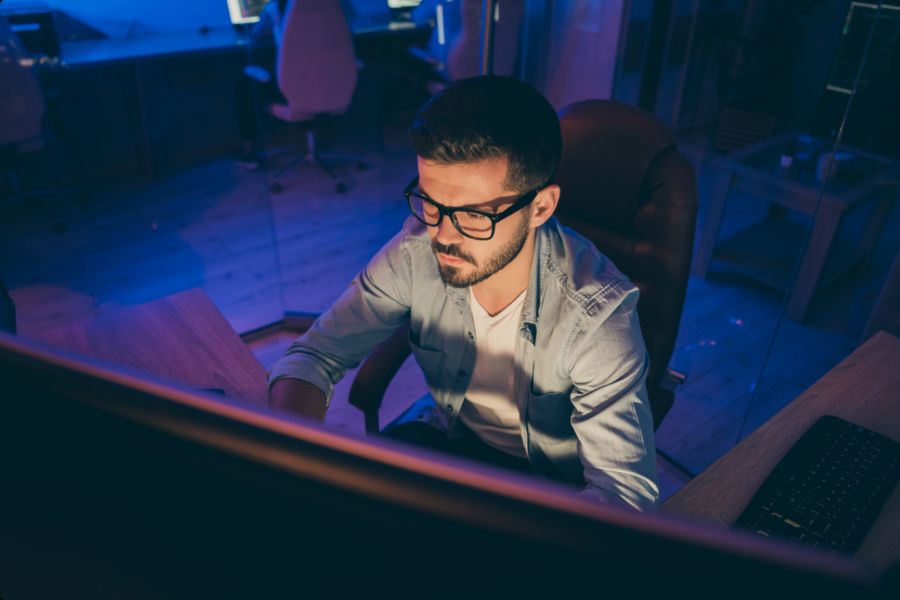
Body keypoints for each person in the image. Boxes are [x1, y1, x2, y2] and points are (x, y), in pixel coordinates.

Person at [268, 76, 659, 510]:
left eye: (474, 215)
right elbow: (316, 353)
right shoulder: (416, 249)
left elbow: (626, 498)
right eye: (431, 203)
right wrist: (292, 456)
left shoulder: (597, 317)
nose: (441, 235)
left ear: (541, 208)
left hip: (549, 483)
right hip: (450, 432)